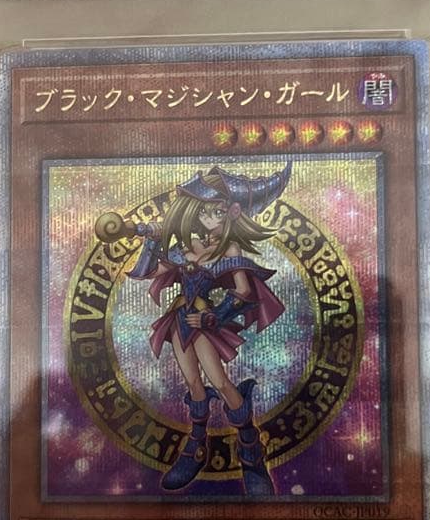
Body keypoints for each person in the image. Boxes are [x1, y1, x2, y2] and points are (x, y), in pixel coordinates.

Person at [95, 161, 292, 498]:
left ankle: (251, 453)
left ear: (232, 212)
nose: (207, 218)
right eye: (202, 212)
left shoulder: (230, 249)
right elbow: (148, 272)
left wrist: (214, 317)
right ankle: (196, 448)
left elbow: (244, 291)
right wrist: (151, 238)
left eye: (215, 212)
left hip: (203, 322)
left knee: (221, 382)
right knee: (193, 384)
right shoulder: (186, 248)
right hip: (179, 321)